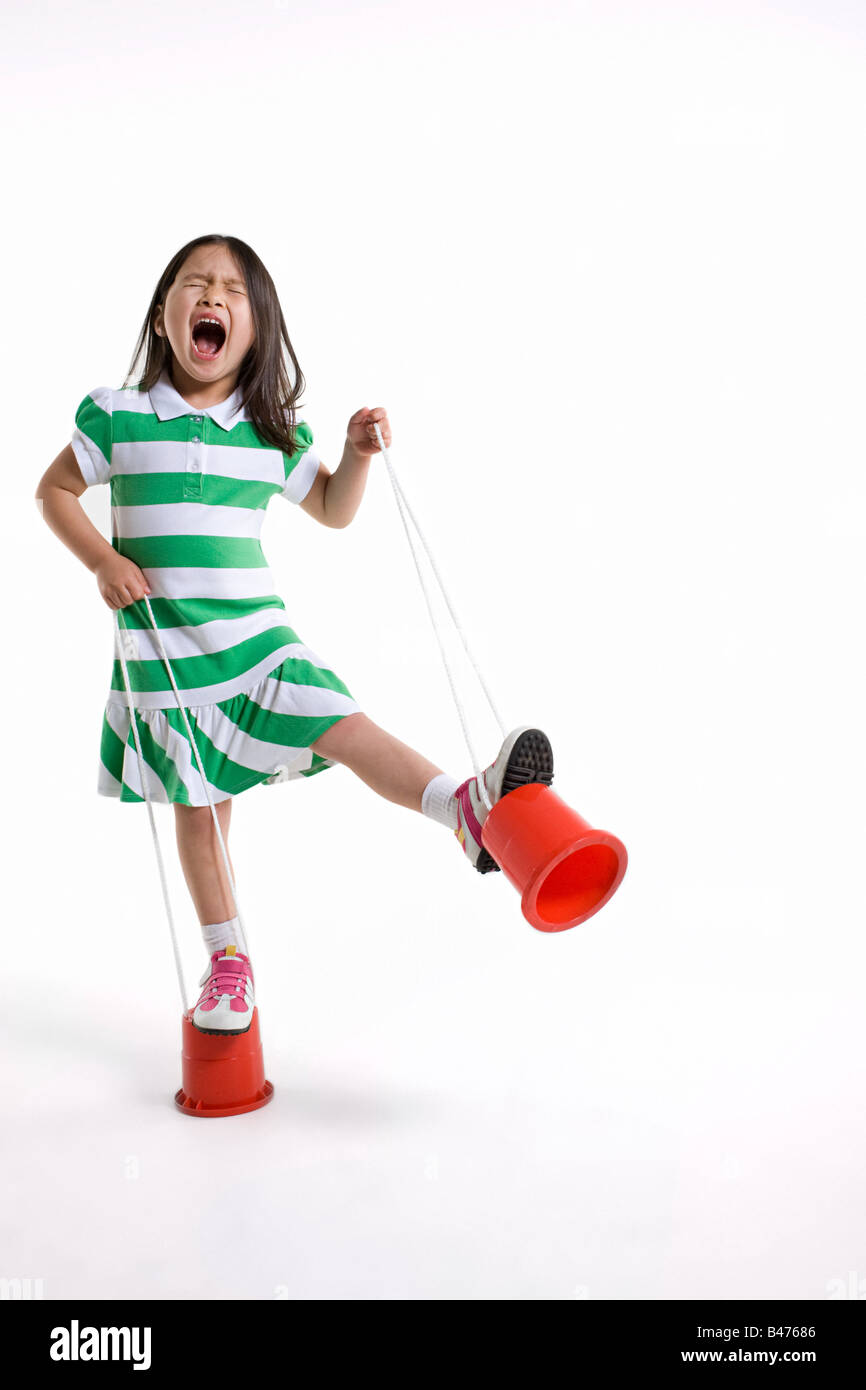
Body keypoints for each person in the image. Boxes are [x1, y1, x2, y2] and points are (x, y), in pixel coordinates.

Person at [34, 233, 554, 1036]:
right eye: (195, 283)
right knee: (201, 812)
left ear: (257, 329)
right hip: (170, 660)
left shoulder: (268, 430)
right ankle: (227, 962)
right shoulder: (118, 415)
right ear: (165, 312)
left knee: (344, 723)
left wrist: (356, 455)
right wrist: (102, 559)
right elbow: (54, 491)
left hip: (260, 643)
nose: (213, 296)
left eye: (233, 290)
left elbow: (334, 509)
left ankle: (465, 808)